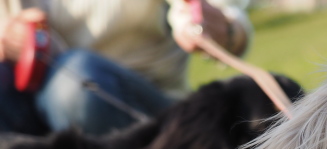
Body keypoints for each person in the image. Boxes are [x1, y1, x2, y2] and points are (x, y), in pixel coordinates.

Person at [0, 0, 252, 135]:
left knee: (76, 83)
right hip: (33, 112)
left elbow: (230, 22)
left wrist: (220, 27)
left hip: (145, 111)